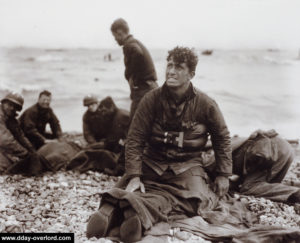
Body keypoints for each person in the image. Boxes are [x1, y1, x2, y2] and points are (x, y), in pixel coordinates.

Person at [86, 47, 232, 242]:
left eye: (178, 67)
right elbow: (135, 138)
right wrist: (135, 175)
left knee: (196, 201)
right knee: (131, 187)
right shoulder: (151, 99)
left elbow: (221, 137)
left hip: (187, 166)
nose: (171, 71)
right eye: (169, 65)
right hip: (151, 163)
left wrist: (223, 174)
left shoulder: (206, 104)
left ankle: (125, 209)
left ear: (191, 74)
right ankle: (120, 211)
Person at [66, 95, 130, 175]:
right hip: (101, 139)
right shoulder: (87, 116)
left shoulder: (110, 113)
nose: (90, 107)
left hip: (112, 139)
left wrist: (107, 143)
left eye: (92, 104)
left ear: (97, 103)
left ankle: (119, 169)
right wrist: (94, 144)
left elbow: (114, 132)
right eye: (88, 106)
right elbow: (87, 133)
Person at [111, 18, 158, 120]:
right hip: (152, 86)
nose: (115, 40)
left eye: (115, 37)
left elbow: (138, 53)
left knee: (134, 124)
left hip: (144, 89)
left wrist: (132, 77)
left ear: (119, 33)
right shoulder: (135, 41)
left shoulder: (129, 44)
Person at [0, 92, 44, 174]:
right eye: (9, 105)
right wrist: (24, 153)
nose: (12, 108)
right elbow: (5, 140)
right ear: (3, 103)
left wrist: (32, 152)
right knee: (4, 166)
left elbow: (20, 136)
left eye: (15, 107)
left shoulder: (11, 118)